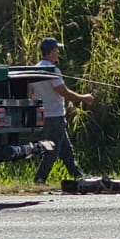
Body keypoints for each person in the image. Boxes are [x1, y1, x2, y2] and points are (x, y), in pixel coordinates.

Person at [31, 36, 93, 186]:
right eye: (57, 50)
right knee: (52, 150)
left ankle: (79, 176)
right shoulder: (52, 70)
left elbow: (30, 94)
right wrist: (83, 97)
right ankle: (39, 179)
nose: (58, 53)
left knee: (66, 150)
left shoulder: (34, 69)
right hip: (55, 116)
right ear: (51, 51)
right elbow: (62, 91)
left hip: (45, 116)